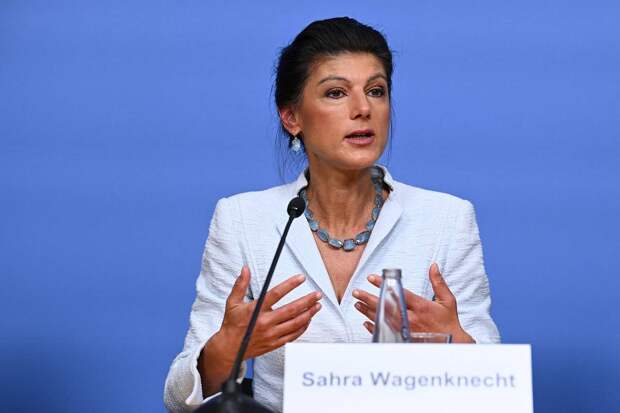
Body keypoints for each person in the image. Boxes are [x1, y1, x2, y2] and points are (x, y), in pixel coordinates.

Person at [164, 16, 500, 413]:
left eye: (376, 91)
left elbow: (496, 393)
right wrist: (226, 348)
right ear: (292, 117)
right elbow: (178, 399)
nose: (363, 108)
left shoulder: (447, 219)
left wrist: (455, 342)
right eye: (336, 93)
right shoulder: (241, 219)